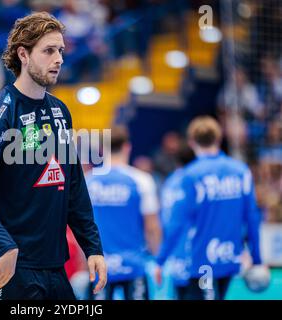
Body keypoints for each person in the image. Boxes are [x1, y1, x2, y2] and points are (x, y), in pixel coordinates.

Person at [0, 12, 106, 300]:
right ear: (23, 55)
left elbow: (73, 185)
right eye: (49, 51)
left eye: (61, 51)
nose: (59, 59)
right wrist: (4, 247)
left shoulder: (60, 112)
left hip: (53, 266)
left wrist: (92, 247)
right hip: (10, 267)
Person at [155, 116, 267, 300]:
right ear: (219, 137)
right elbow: (252, 216)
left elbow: (177, 222)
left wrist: (160, 259)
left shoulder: (190, 175)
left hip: (200, 260)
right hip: (229, 256)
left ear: (192, 142)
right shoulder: (240, 171)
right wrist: (257, 259)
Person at [86, 126, 161, 300]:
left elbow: (80, 226)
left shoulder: (89, 182)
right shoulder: (142, 180)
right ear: (128, 147)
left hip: (99, 266)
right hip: (134, 265)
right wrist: (158, 260)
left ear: (101, 149)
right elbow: (152, 227)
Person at [159, 143, 195, 299]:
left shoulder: (169, 183)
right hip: (195, 253)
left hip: (175, 252)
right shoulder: (195, 180)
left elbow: (165, 220)